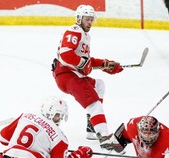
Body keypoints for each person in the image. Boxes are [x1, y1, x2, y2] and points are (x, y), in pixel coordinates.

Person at [51, 4, 124, 145]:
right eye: (87, 19)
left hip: (72, 74)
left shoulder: (85, 35)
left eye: (91, 19)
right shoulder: (75, 31)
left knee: (99, 85)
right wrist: (84, 64)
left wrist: (106, 64)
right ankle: (104, 137)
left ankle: (92, 128)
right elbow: (65, 54)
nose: (90, 23)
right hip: (67, 75)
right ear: (79, 18)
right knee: (94, 104)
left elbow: (85, 60)